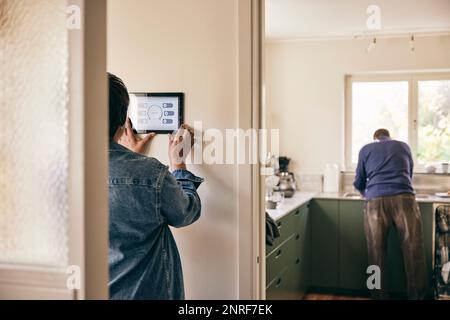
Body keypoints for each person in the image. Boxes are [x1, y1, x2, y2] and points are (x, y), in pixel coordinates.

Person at [107, 73, 204, 300]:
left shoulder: (57, 174)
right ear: (123, 122)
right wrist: (178, 165)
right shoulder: (151, 174)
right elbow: (186, 213)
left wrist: (132, 159)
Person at [354, 128, 428, 300]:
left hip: (375, 202)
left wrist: (368, 193)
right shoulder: (403, 146)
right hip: (404, 199)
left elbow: (359, 181)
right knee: (413, 250)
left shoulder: (366, 149)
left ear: (375, 138)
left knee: (375, 252)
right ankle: (417, 296)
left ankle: (378, 296)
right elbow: (408, 174)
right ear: (389, 136)